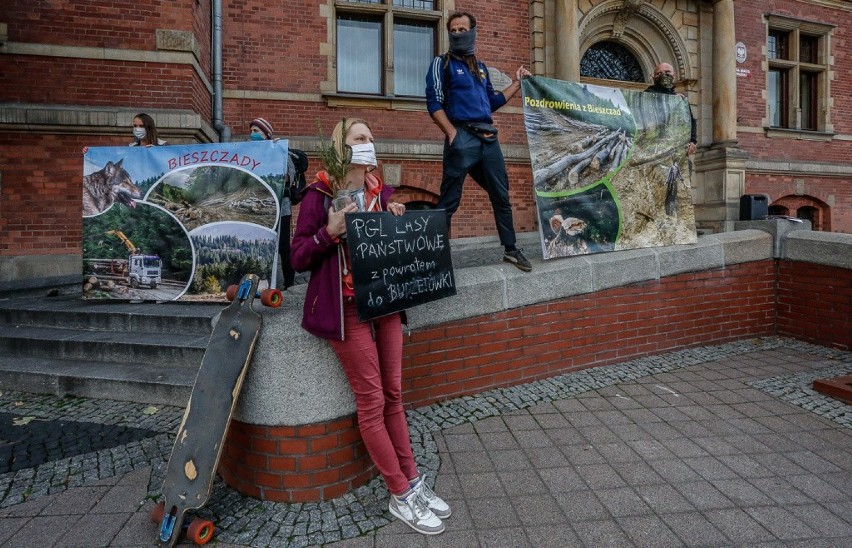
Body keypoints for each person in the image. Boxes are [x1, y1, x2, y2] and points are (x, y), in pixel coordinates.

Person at [291, 118, 451, 536]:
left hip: (385, 303)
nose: (369, 144)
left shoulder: (381, 192)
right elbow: (297, 256)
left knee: (395, 394)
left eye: (371, 138)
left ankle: (413, 482)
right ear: (341, 148)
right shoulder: (319, 194)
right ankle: (400, 493)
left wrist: (394, 218)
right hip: (346, 310)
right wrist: (329, 232)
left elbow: (386, 249)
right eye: (360, 139)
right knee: (373, 399)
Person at [425, 10, 532, 272]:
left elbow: (492, 102)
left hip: (488, 140)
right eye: (454, 30)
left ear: (473, 32)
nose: (458, 34)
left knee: (501, 195)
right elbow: (433, 102)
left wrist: (517, 84)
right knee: (449, 201)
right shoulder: (442, 63)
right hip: (461, 137)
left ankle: (510, 249)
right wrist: (452, 134)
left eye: (463, 29)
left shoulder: (480, 68)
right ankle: (436, 259)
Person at [249, 117, 296, 289]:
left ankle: (289, 284)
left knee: (283, 246)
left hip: (281, 206)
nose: (252, 134)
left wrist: (276, 154)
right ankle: (259, 282)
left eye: (256, 131)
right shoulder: (249, 152)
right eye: (252, 131)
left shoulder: (281, 151)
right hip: (258, 207)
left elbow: (289, 177)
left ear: (266, 134)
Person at [644, 63, 697, 156]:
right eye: (659, 73)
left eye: (667, 72)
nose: (663, 75)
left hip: (676, 149)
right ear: (653, 78)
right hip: (653, 147)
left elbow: (690, 121)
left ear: (674, 74)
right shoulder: (646, 96)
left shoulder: (680, 99)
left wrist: (692, 141)